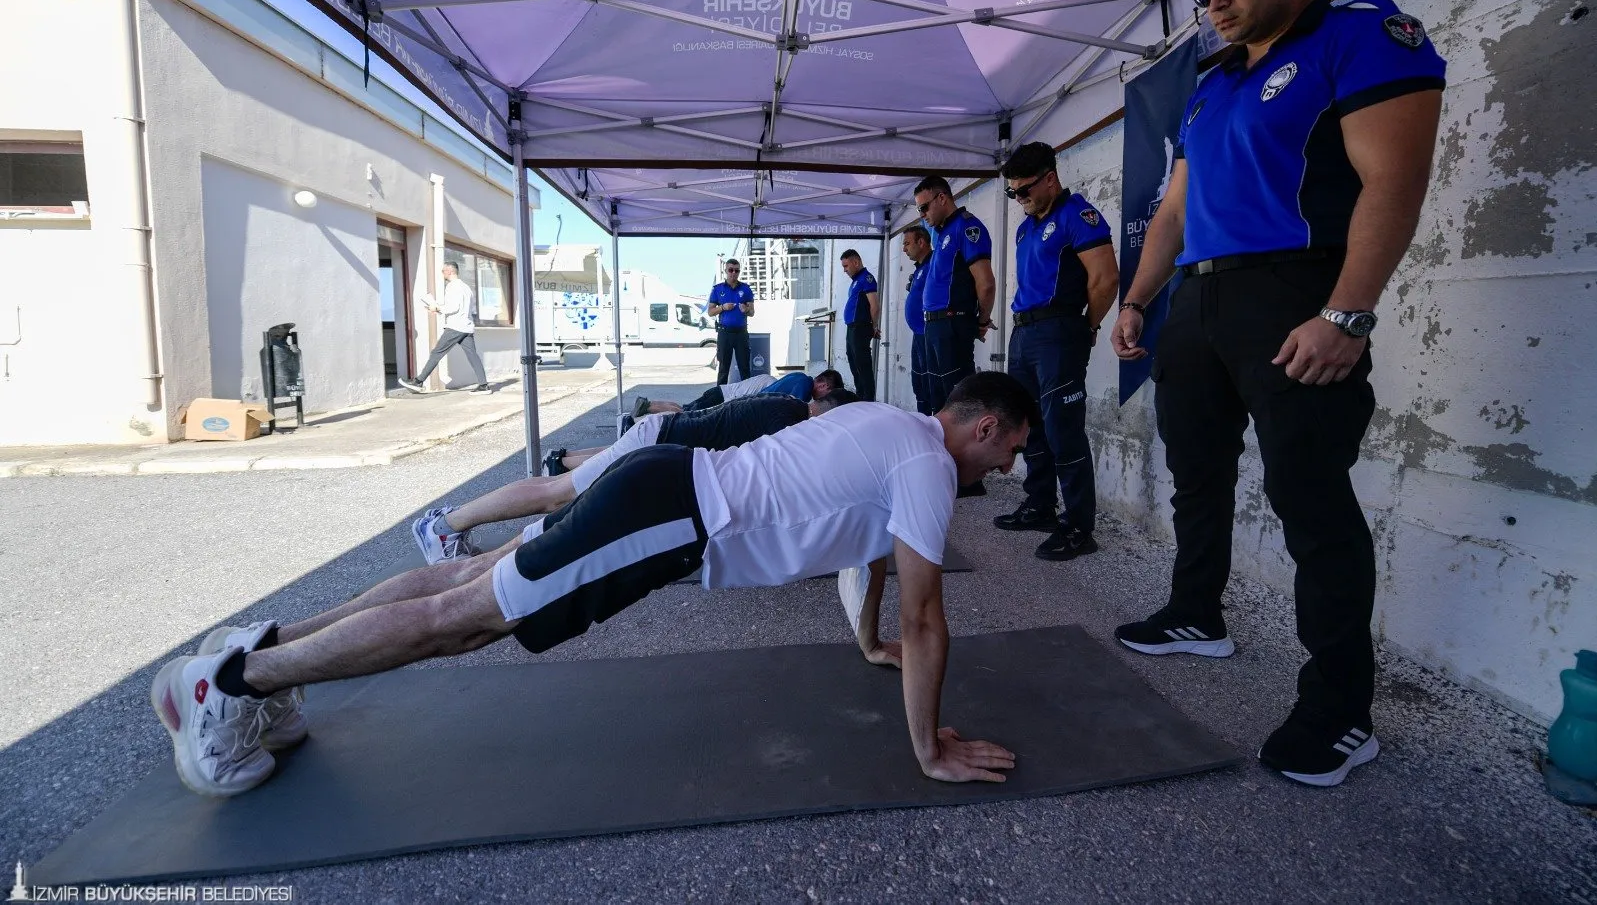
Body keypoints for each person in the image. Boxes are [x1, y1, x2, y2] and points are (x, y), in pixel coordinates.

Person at [151, 374, 1035, 797]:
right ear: (986, 427)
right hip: (666, 517)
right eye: (1013, 448)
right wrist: (927, 749)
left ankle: (263, 645)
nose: (1012, 465)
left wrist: (865, 642)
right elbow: (928, 618)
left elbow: (873, 563)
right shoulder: (924, 466)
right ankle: (229, 687)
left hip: (659, 482)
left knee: (469, 574)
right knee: (465, 620)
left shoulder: (886, 423)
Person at [1109, 0, 1446, 789]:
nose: (1215, 3)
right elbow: (1174, 210)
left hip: (1296, 290)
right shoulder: (1213, 81)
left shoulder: (1360, 35)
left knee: (1309, 498)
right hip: (1200, 300)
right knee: (1198, 473)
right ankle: (1196, 612)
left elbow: (1396, 182)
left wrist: (1347, 314)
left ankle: (1340, 713)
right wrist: (1139, 299)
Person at [416, 389, 860, 562]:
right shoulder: (791, 421)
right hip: (656, 440)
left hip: (659, 436)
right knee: (557, 496)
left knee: (557, 492)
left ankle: (450, 524)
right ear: (825, 409)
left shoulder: (784, 401)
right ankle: (444, 526)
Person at [992, 142, 1118, 561]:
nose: (1019, 199)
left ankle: (1079, 527)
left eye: (1024, 190)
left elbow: (1105, 279)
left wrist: (1088, 326)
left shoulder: (1077, 216)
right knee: (1031, 425)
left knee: (1064, 429)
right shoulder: (1026, 225)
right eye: (1012, 193)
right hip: (1024, 333)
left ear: (1050, 177)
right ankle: (1040, 505)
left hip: (1059, 330)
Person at [914, 175, 996, 495]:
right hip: (935, 325)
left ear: (942, 199)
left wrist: (982, 320)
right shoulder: (941, 233)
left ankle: (970, 478)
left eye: (924, 207)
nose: (922, 215)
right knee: (940, 402)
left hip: (952, 323)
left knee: (959, 403)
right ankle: (947, 469)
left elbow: (985, 283)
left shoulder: (967, 227)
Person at [401, 263, 488, 393]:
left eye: (443, 271)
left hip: (455, 327)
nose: (442, 274)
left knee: (436, 353)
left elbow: (453, 307)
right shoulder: (466, 287)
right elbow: (468, 309)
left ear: (449, 271)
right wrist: (438, 309)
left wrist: (436, 307)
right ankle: (484, 385)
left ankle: (418, 382)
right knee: (473, 356)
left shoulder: (452, 287)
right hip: (467, 327)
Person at [629, 369, 841, 421]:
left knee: (685, 410)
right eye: (827, 392)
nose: (822, 398)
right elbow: (797, 410)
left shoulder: (791, 379)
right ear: (822, 384)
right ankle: (649, 408)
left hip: (721, 394)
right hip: (724, 400)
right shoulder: (803, 384)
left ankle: (649, 404)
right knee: (685, 415)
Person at [839, 249, 880, 401]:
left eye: (846, 266)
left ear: (856, 262)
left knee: (863, 366)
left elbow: (875, 306)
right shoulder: (855, 281)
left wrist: (873, 327)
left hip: (860, 328)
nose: (845, 270)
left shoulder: (866, 278)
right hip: (851, 328)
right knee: (854, 364)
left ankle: (868, 401)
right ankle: (860, 397)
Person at [902, 225, 934, 415]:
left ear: (921, 242)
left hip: (929, 334)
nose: (904, 249)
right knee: (919, 383)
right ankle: (922, 423)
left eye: (907, 243)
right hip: (918, 333)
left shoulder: (934, 264)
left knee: (931, 384)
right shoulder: (920, 267)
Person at [707, 259, 755, 385]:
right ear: (726, 271)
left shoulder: (745, 289)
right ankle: (719, 399)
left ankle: (747, 398)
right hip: (725, 334)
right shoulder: (718, 289)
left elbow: (752, 312)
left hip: (741, 334)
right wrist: (723, 307)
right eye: (731, 270)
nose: (733, 273)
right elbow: (710, 312)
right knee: (723, 369)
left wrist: (746, 310)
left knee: (744, 368)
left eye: (736, 270)